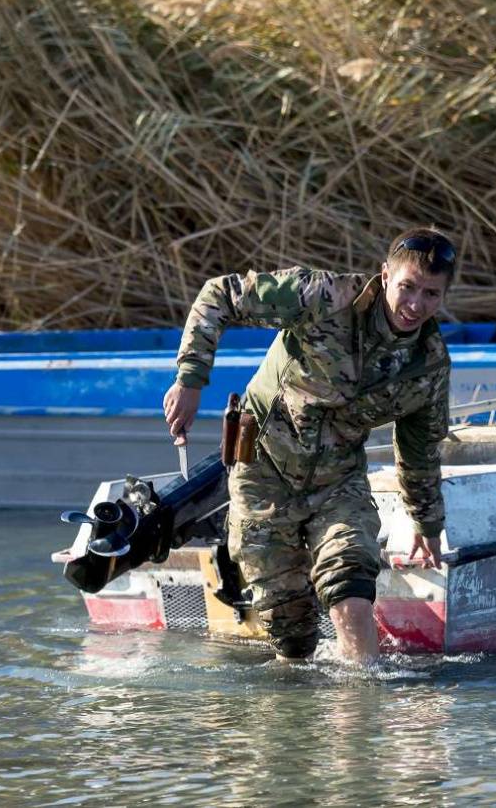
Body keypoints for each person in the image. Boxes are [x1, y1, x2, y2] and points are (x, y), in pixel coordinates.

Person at [162, 229, 457, 665]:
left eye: (431, 294)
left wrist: (428, 523)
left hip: (339, 482)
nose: (415, 305)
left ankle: (361, 702)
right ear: (385, 276)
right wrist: (190, 379)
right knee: (291, 632)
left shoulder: (429, 365)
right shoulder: (324, 297)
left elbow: (420, 451)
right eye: (407, 287)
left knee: (350, 580)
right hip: (264, 471)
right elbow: (220, 295)